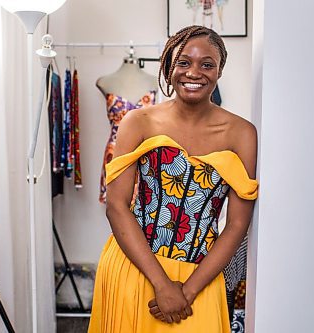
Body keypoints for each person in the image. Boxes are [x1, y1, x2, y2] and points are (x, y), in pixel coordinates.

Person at [88, 25, 258, 333]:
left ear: (219, 71)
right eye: (183, 62)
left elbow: (236, 224)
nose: (194, 72)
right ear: (169, 66)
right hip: (135, 268)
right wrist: (161, 284)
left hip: (201, 278)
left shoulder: (241, 133)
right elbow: (116, 205)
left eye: (207, 64)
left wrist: (187, 291)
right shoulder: (138, 121)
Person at [96, 55, 158, 203]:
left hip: (146, 150)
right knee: (117, 204)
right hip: (116, 149)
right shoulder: (104, 82)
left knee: (146, 205)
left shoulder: (154, 81)